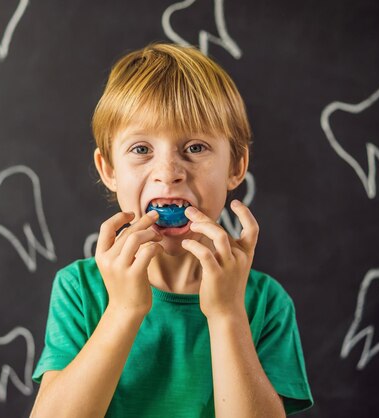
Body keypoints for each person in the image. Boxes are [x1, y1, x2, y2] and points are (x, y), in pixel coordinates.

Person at [30, 42, 313, 417]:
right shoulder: (79, 291)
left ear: (236, 166)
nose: (169, 172)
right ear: (109, 169)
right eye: (141, 149)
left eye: (195, 147)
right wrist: (124, 309)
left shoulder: (265, 302)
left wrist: (227, 313)